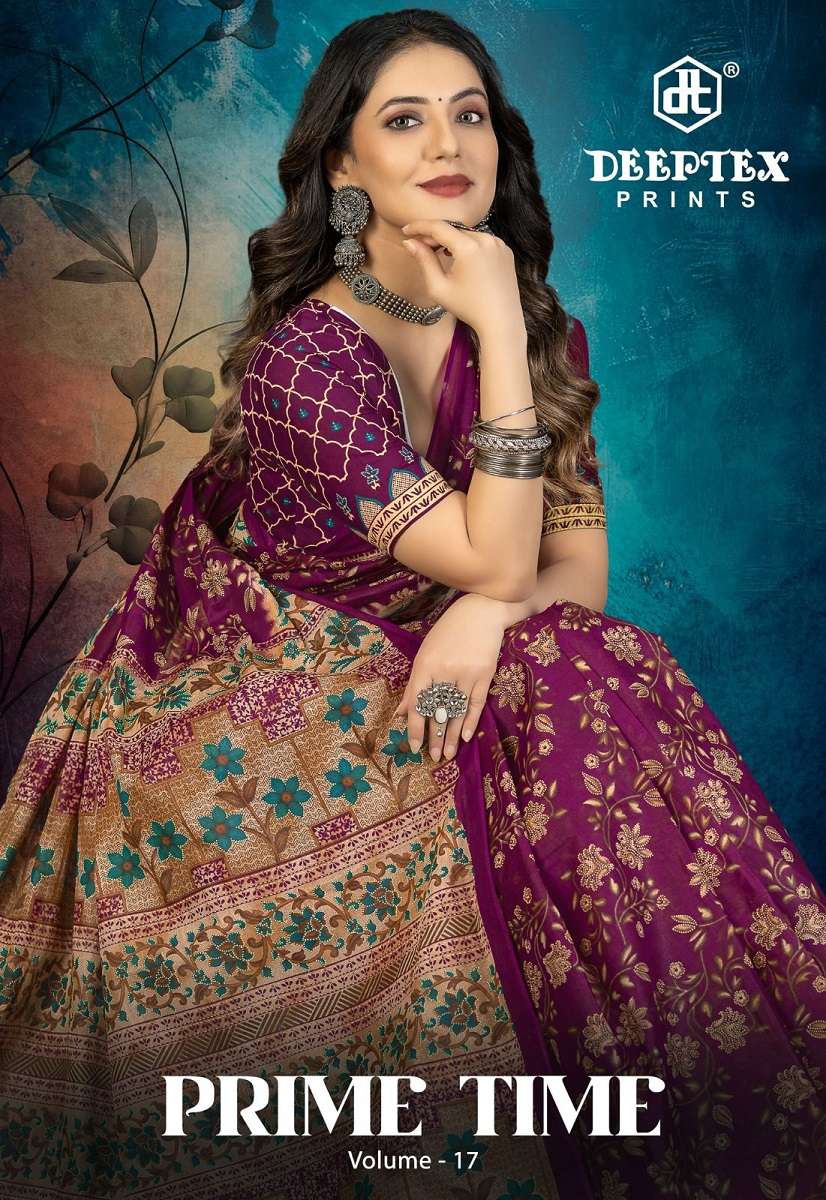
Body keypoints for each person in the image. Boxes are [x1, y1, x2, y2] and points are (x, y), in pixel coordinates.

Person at [1, 9, 824, 1200]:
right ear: (342, 165)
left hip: (434, 646)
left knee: (595, 663)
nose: (447, 143)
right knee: (579, 676)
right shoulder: (307, 360)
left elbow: (568, 577)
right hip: (260, 678)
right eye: (404, 119)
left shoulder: (535, 331)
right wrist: (491, 555)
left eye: (469, 114)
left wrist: (482, 611)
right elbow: (497, 553)